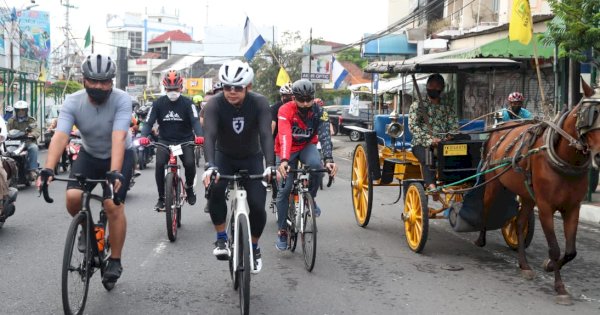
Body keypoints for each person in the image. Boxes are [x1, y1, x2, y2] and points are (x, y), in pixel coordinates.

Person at [37, 53, 135, 284]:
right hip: (89, 154)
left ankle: (115, 260)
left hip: (120, 155)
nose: (99, 86)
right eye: (94, 81)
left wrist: (114, 173)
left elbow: (119, 137)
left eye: (105, 82)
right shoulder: (73, 101)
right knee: (72, 197)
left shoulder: (122, 99)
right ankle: (88, 229)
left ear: (112, 81)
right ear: (84, 80)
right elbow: (60, 135)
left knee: (112, 204)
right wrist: (48, 168)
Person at [202, 60, 275, 274]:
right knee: (215, 190)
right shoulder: (214, 104)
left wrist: (270, 165)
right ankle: (222, 238)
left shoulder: (260, 102)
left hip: (252, 158)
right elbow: (210, 136)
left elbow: (265, 135)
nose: (231, 92)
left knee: (258, 205)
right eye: (227, 87)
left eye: (237, 88)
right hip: (223, 156)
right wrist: (209, 166)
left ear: (248, 87)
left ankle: (253, 246)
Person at [274, 79, 338, 251]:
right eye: (300, 99)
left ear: (313, 97)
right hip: (286, 149)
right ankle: (282, 231)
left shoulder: (319, 111)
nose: (304, 103)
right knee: (285, 189)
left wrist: (329, 159)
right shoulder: (285, 109)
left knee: (317, 167)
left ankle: (311, 198)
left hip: (306, 146)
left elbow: (324, 136)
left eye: (308, 99)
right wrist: (285, 161)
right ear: (293, 98)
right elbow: (285, 135)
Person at [139, 70, 204, 211]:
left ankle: (189, 188)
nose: (172, 91)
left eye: (175, 89)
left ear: (181, 88)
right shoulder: (157, 104)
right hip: (165, 141)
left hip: (184, 141)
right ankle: (161, 198)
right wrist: (143, 136)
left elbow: (195, 121)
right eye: (169, 89)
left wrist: (199, 136)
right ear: (165, 88)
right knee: (160, 163)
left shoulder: (188, 103)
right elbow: (148, 122)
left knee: (189, 164)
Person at [408, 73, 459, 199]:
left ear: (441, 88)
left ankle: (458, 182)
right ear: (427, 87)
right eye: (431, 85)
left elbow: (454, 126)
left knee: (464, 147)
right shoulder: (417, 105)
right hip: (421, 143)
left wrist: (449, 137)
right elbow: (413, 126)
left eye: (437, 86)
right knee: (428, 157)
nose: (434, 88)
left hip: (444, 144)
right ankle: (431, 186)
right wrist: (430, 140)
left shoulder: (447, 107)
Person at [7, 100, 40, 181]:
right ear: (16, 110)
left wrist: (32, 134)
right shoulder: (11, 120)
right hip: (13, 143)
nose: (21, 112)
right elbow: (6, 130)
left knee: (34, 148)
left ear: (26, 110)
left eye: (23, 110)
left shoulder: (31, 120)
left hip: (27, 142)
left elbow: (36, 130)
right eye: (19, 110)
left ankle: (32, 170)